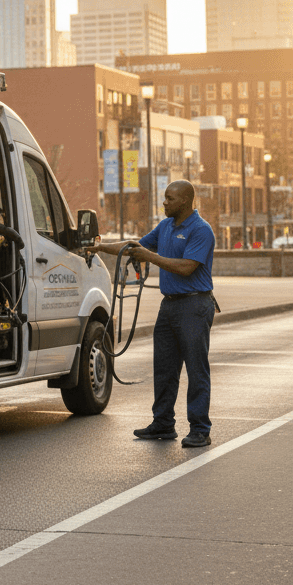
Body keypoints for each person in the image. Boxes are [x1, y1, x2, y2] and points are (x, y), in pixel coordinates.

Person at [94, 180, 216, 448]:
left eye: (170, 198)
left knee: (196, 370)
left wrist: (149, 256)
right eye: (165, 197)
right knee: (164, 368)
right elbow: (133, 246)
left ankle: (200, 429)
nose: (164, 202)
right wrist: (101, 247)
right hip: (170, 305)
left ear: (184, 201)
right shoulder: (166, 226)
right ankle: (163, 423)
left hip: (195, 306)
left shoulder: (201, 230)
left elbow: (186, 267)